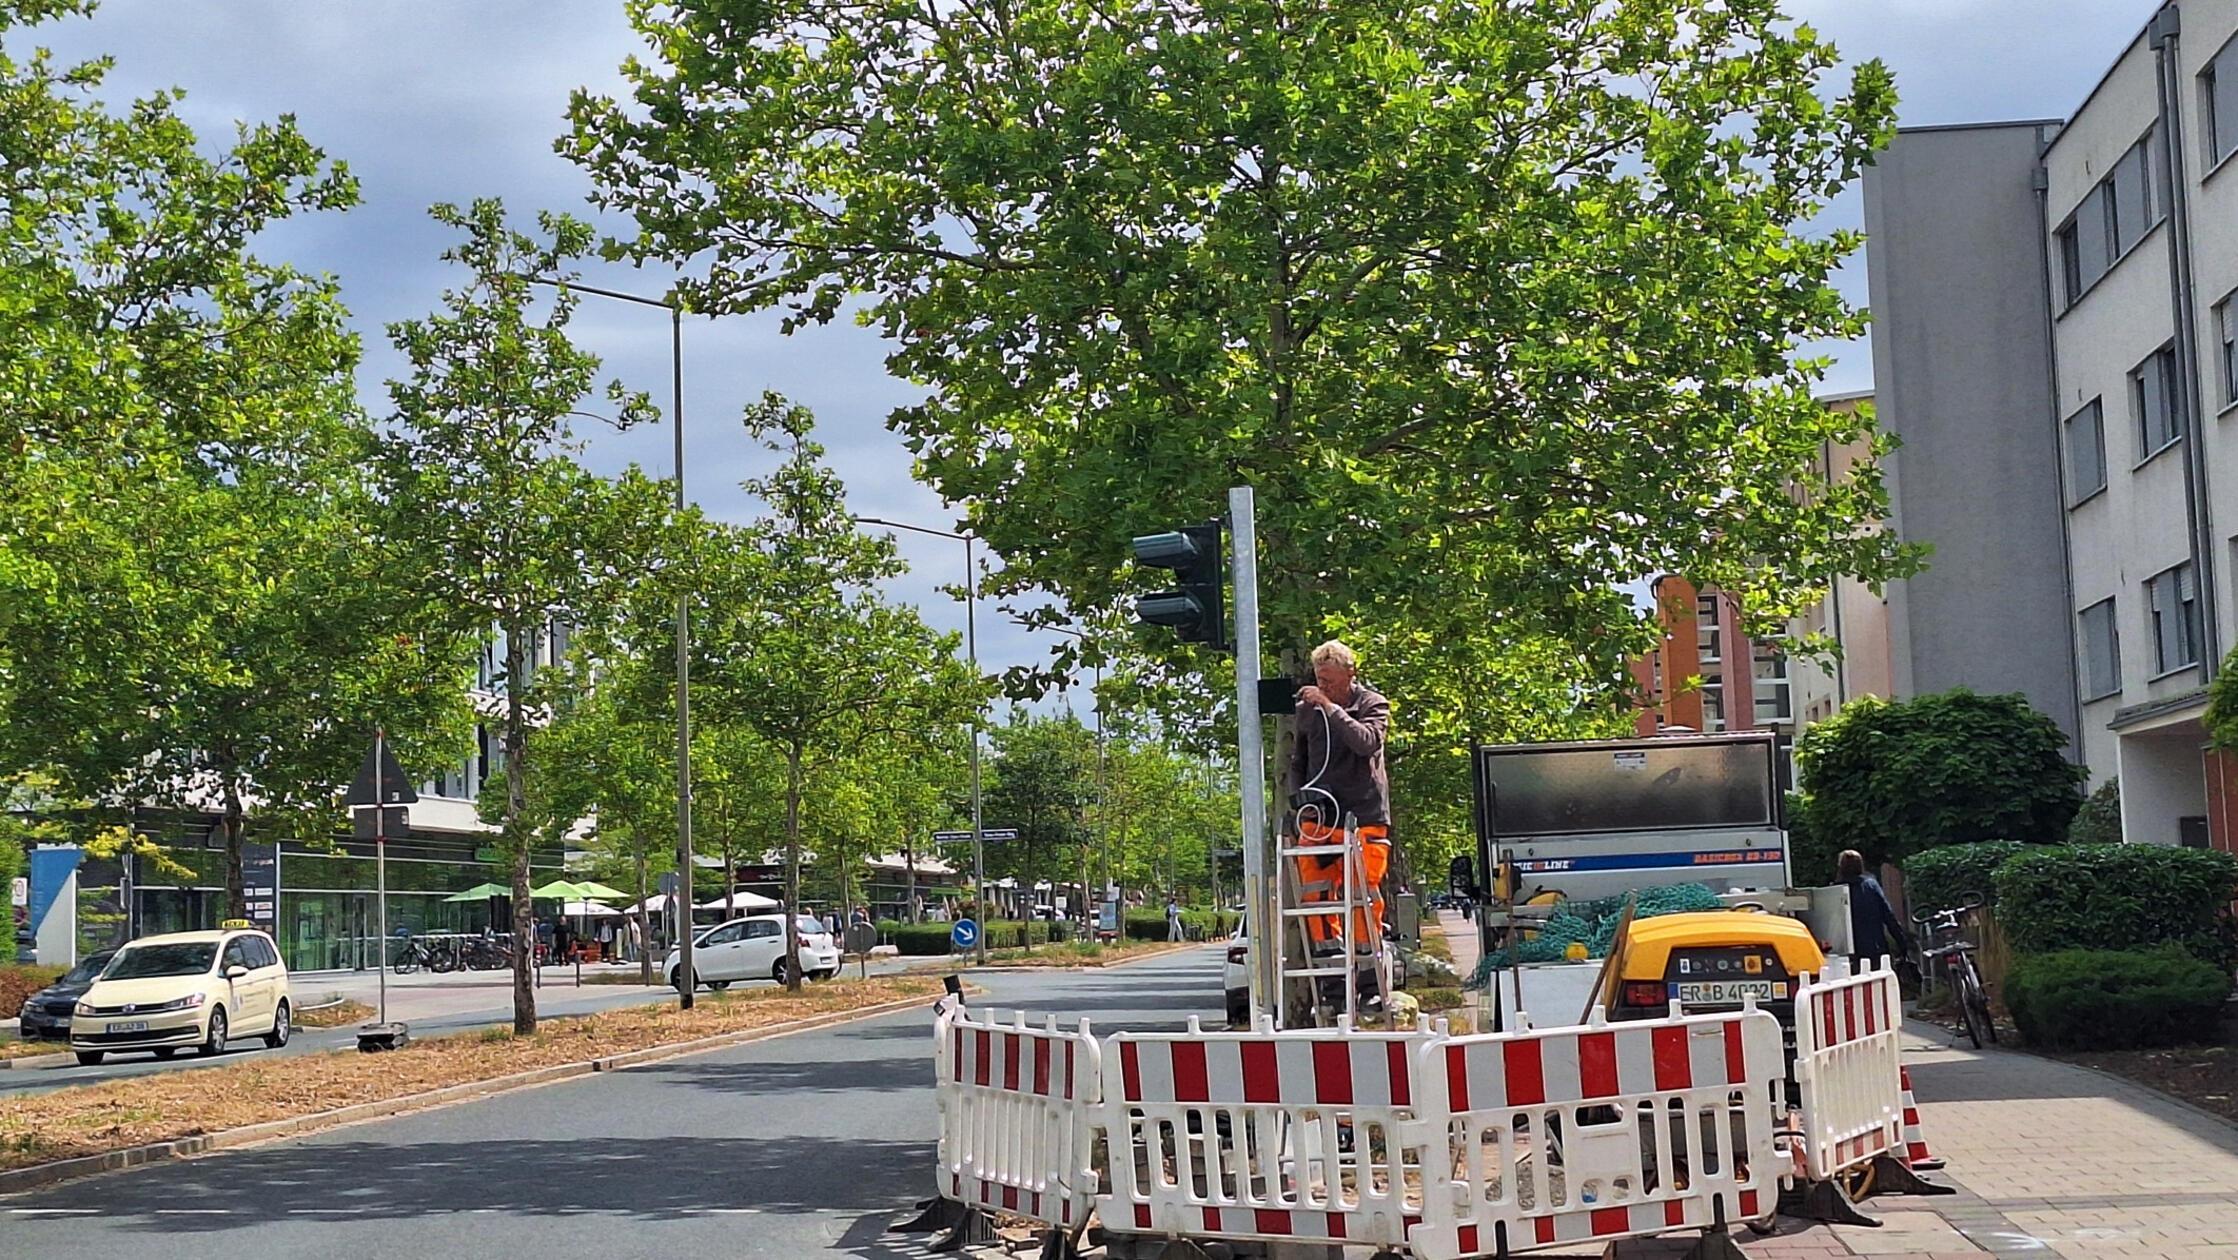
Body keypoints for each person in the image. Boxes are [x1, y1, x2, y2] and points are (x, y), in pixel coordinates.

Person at [1289, 639, 1392, 1004]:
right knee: (1314, 888)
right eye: (1320, 680)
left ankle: (1368, 975)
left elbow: (1366, 743)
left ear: (1351, 674)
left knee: (1363, 891)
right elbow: (1299, 758)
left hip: (1363, 813)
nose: (1324, 686)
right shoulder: (1309, 711)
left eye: (1330, 680)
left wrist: (1330, 707)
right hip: (1320, 815)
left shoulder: (1372, 704)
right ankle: (1330, 972)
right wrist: (1297, 802)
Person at [1838, 849, 1911, 972]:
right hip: (1875, 949)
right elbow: (1889, 917)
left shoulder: (1836, 891)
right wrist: (1902, 945)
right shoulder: (1870, 886)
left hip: (1847, 955)